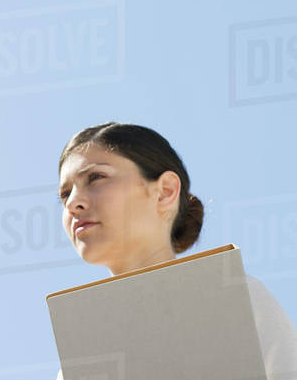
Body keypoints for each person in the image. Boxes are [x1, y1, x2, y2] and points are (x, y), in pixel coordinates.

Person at [56, 122, 297, 378]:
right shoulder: (78, 363)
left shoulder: (236, 300)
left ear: (165, 191)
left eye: (96, 177)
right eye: (65, 194)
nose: (72, 203)